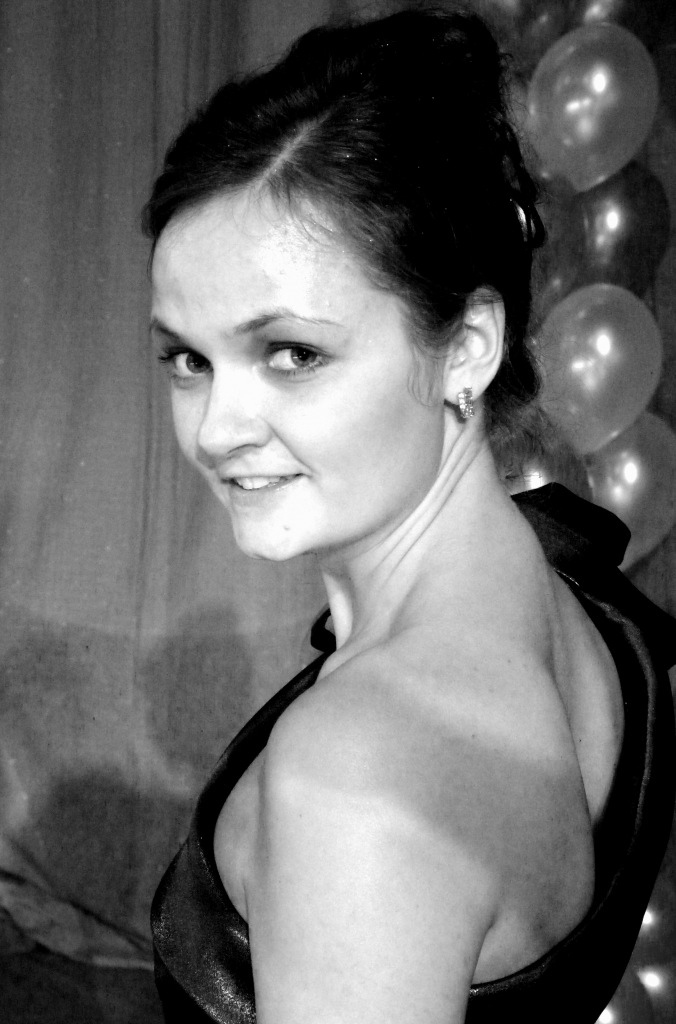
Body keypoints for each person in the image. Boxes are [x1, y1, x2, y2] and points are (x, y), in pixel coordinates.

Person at [144, 8, 676, 1023]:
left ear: (468, 347)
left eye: (292, 353)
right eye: (186, 358)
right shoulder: (556, 582)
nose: (216, 429)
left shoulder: (355, 776)